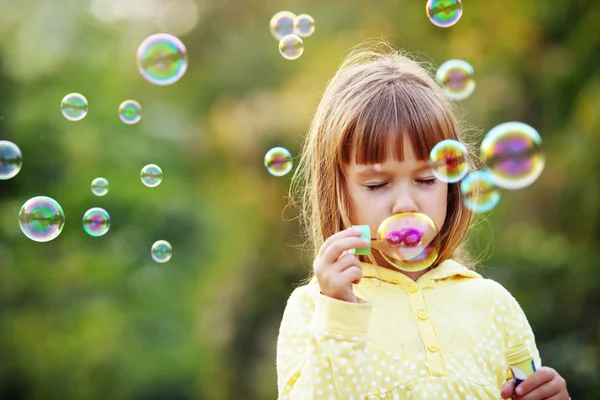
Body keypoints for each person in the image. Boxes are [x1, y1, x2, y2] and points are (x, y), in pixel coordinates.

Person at [276, 41, 569, 399]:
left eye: (427, 179)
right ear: (337, 192)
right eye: (377, 183)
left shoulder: (494, 304)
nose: (405, 203)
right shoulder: (314, 309)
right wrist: (338, 314)